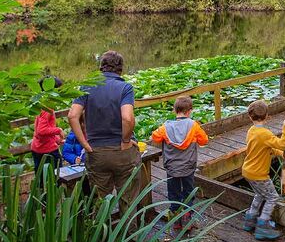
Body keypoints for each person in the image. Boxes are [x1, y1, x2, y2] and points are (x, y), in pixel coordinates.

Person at [67, 51, 142, 217]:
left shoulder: (87, 87)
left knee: (100, 204)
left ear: (101, 67)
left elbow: (72, 116)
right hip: (122, 152)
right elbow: (128, 118)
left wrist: (85, 144)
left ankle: (102, 240)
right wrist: (125, 140)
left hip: (96, 153)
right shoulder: (125, 87)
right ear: (120, 69)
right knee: (128, 202)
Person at [150, 95, 209, 229]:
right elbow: (204, 140)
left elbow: (154, 137)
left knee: (173, 192)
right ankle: (187, 219)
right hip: (188, 167)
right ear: (189, 111)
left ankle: (176, 220)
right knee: (188, 192)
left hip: (172, 168)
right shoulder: (193, 125)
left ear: (174, 110)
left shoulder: (166, 127)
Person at [241, 100, 285, 241]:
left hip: (247, 170)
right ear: (267, 116)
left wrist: (280, 154)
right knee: (272, 197)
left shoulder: (252, 131)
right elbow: (283, 144)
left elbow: (264, 148)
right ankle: (263, 224)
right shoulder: (265, 134)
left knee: (259, 194)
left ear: (250, 117)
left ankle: (250, 220)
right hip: (258, 174)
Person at [31, 76, 65, 175]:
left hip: (37, 147)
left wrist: (56, 140)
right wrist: (58, 130)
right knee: (57, 176)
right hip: (46, 150)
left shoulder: (41, 104)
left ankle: (41, 189)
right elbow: (41, 130)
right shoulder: (48, 108)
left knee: (41, 177)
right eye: (58, 90)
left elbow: (43, 128)